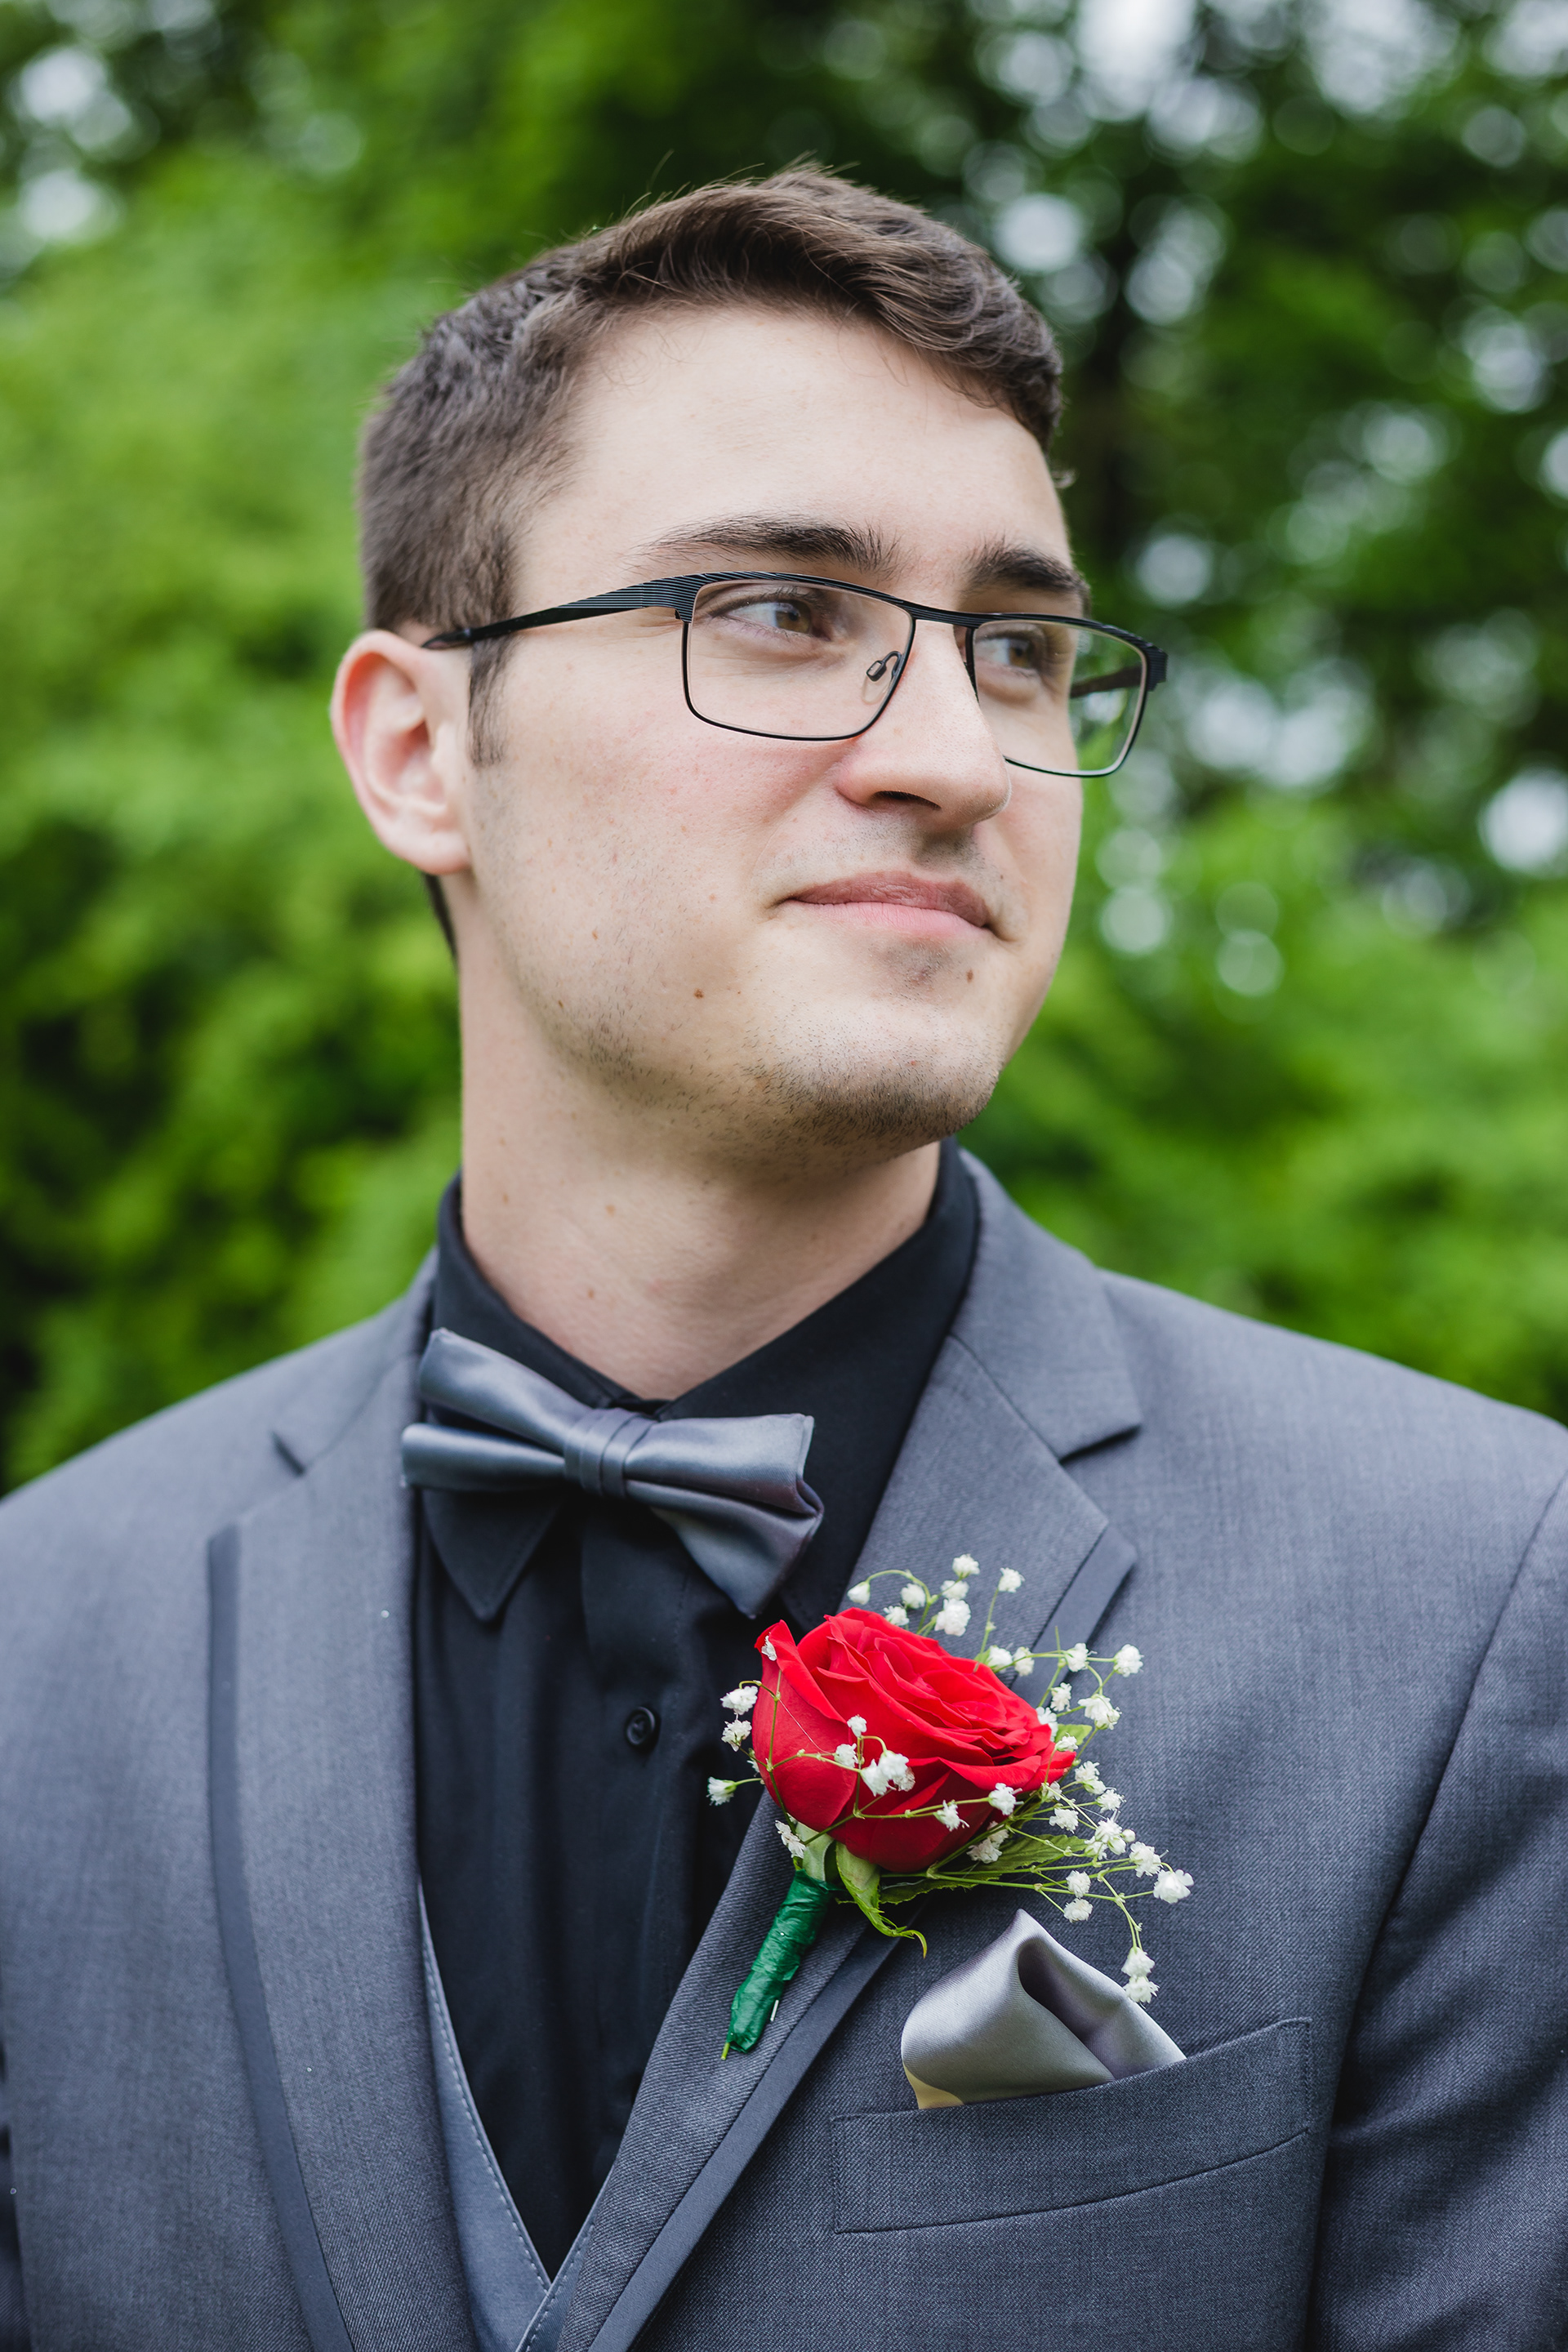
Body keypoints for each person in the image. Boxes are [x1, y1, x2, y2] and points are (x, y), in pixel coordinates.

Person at [1, 171, 1564, 2352]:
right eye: (777, 612)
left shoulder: (1480, 1600)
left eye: (1019, 650)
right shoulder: (37, 1642)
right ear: (420, 750)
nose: (954, 757)